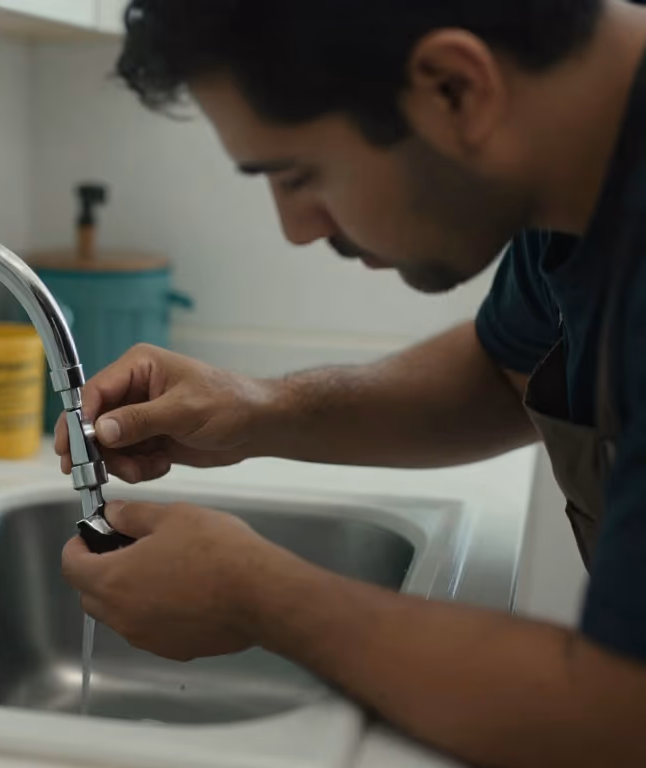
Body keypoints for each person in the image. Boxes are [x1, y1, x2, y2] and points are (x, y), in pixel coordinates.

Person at [56, 1, 646, 765]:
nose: (298, 228)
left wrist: (255, 595)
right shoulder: (575, 186)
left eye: (299, 174)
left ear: (454, 89)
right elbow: (508, 374)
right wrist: (260, 408)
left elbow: (620, 714)